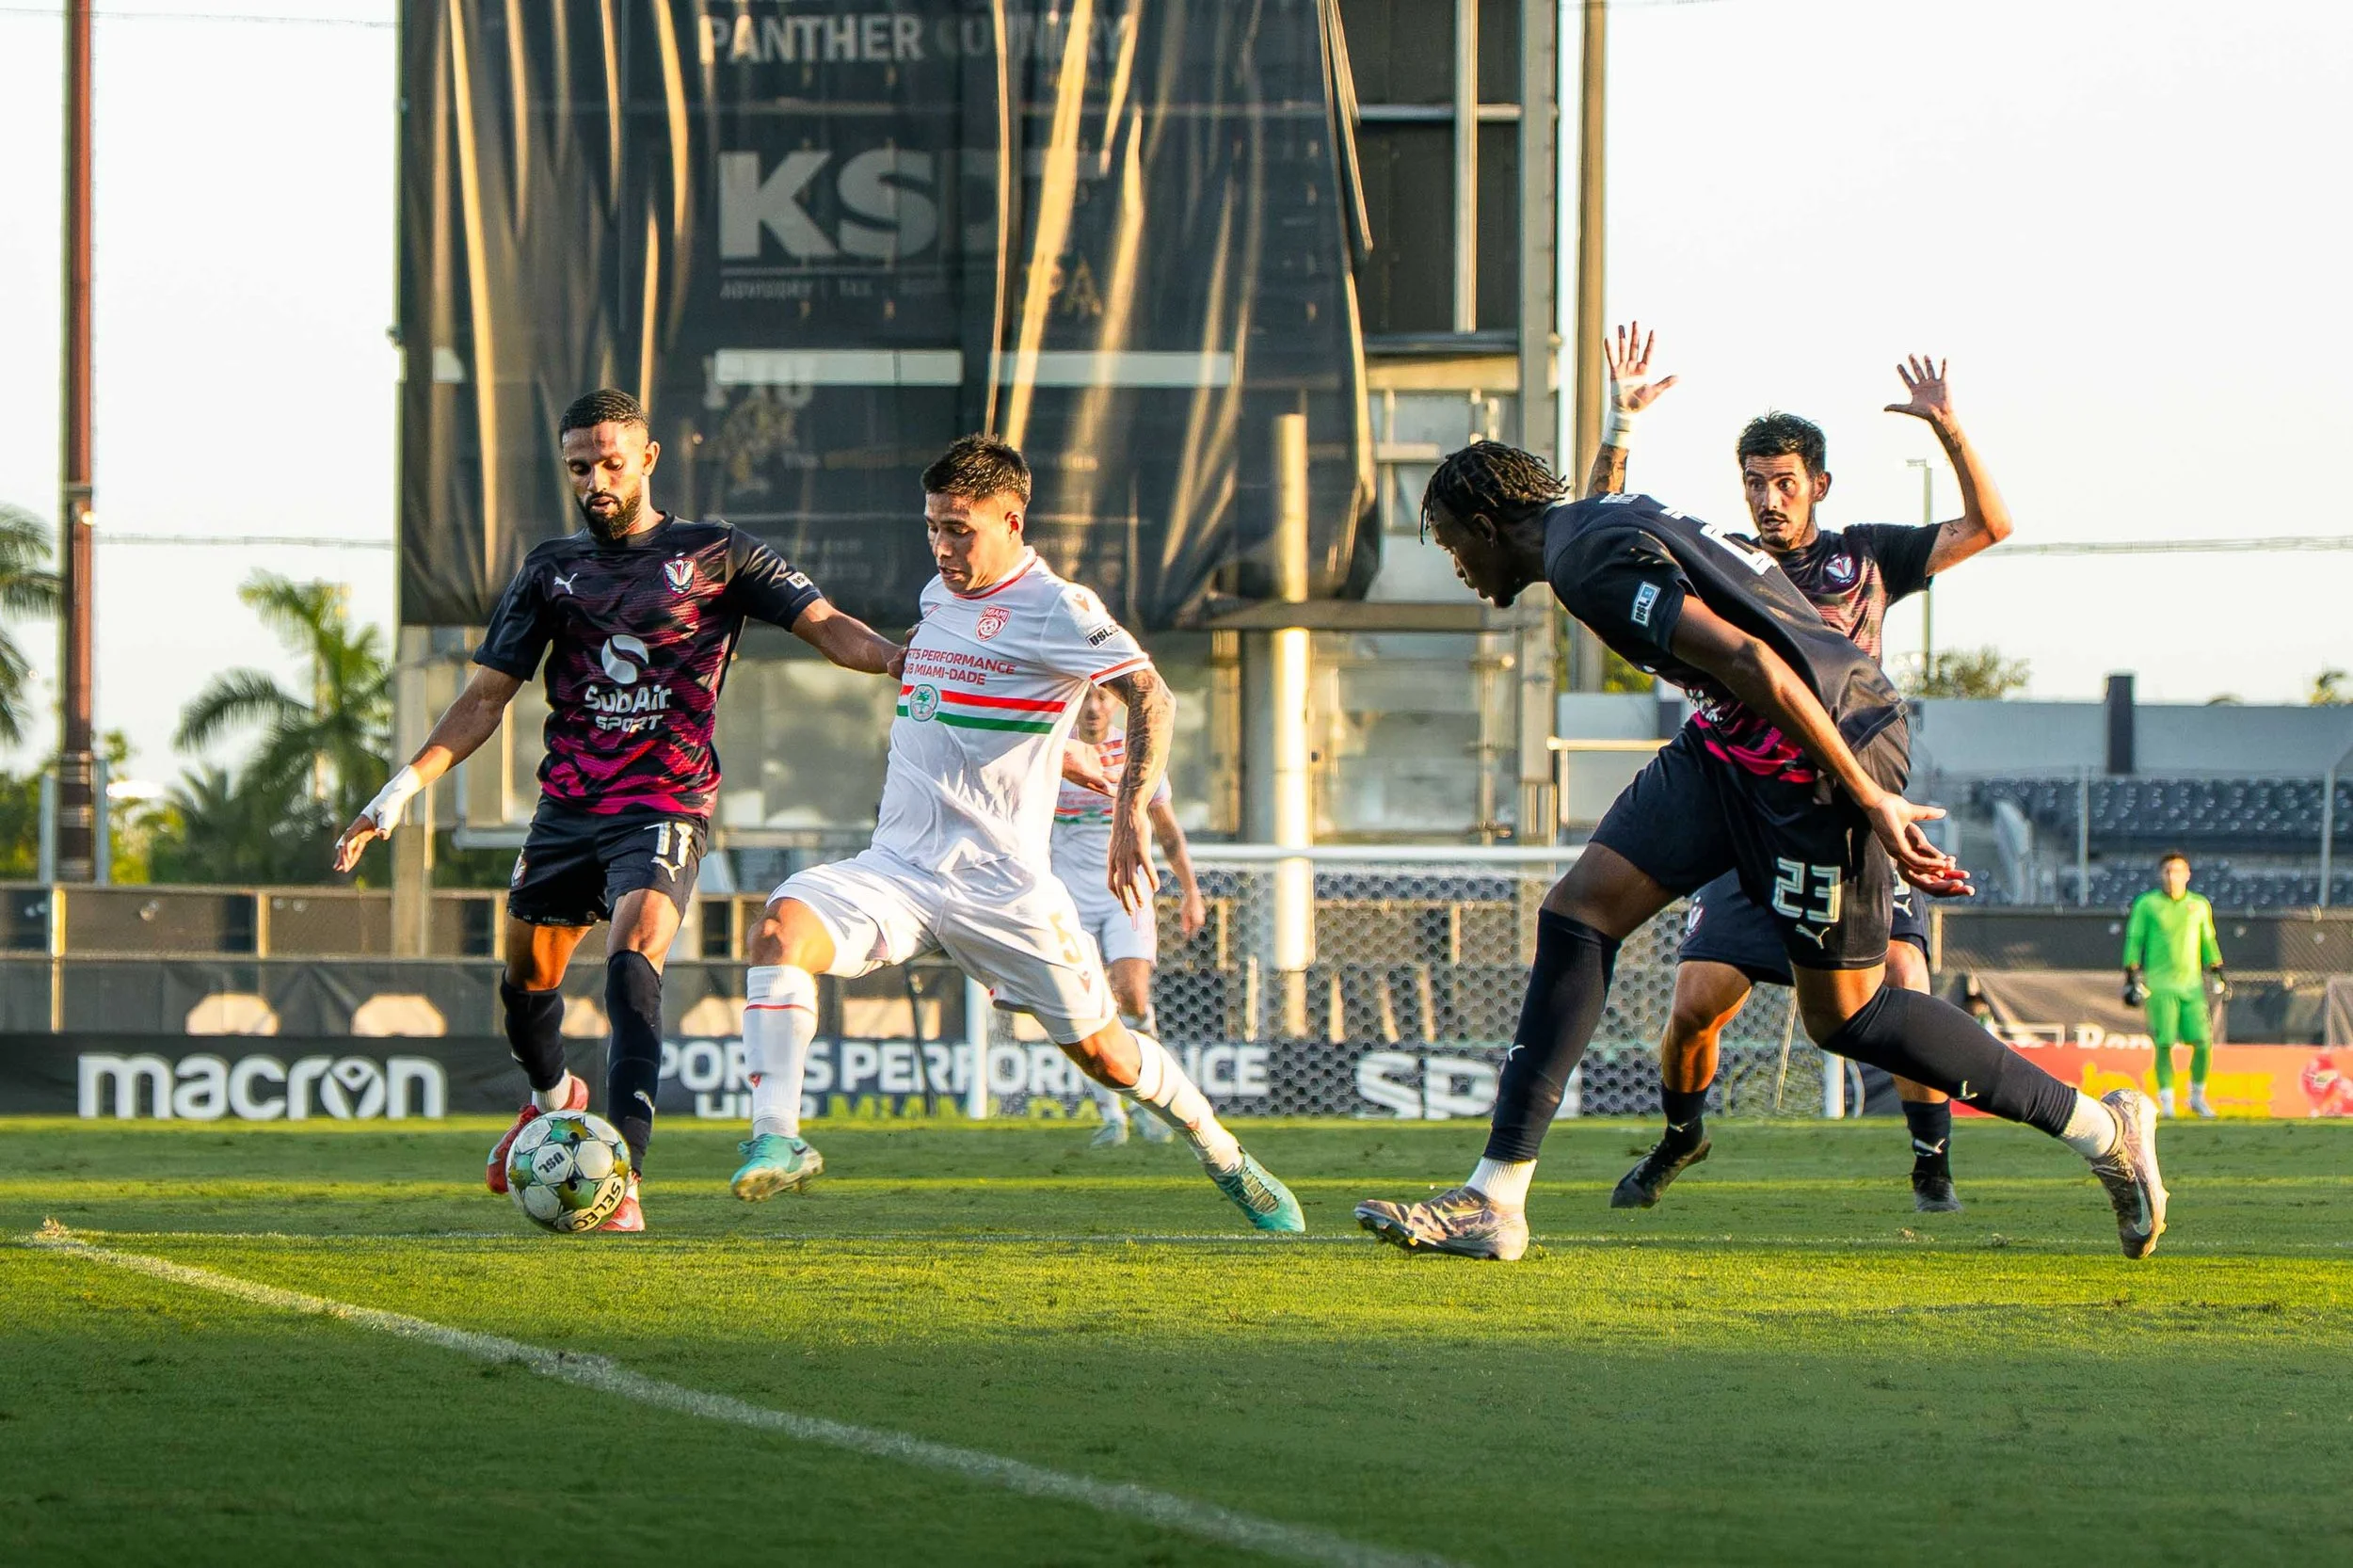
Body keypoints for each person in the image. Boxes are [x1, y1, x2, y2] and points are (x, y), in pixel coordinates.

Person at [1353, 440, 2168, 1261]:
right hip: (1738, 738)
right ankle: (1497, 1197)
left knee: (1849, 1017)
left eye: (1452, 541)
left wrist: (1867, 795)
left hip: (1820, 746)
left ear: (1489, 525)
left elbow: (1750, 659)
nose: (1455, 563)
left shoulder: (1586, 560)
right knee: (1578, 911)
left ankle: (2104, 1129)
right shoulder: (1591, 528)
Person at [330, 388, 900, 1231]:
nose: (594, 480)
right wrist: (396, 795)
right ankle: (551, 1097)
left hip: (665, 799)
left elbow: (826, 625)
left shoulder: (718, 553)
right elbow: (485, 698)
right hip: (568, 806)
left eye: (608, 463)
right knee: (527, 984)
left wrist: (902, 661)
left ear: (648, 459)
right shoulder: (551, 567)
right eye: (577, 468)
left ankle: (622, 1175)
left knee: (635, 957)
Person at [728, 433, 1303, 1232]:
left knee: (1109, 1057)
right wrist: (1054, 751)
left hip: (1005, 891)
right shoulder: (939, 596)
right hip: (899, 870)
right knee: (779, 930)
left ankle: (1223, 1152)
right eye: (933, 526)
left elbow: (1154, 699)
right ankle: (778, 1140)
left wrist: (1131, 812)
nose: (943, 545)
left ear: (1012, 518)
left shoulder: (1059, 608)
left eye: (960, 527)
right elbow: (965, 702)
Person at [1589, 328, 2012, 1213]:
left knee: (1902, 984)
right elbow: (1594, 540)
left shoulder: (1867, 557)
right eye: (1755, 482)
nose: (1769, 498)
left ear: (1818, 485)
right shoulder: (1721, 561)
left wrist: (1948, 427)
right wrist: (1620, 424)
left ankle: (1932, 1162)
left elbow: (1989, 527)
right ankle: (1681, 1136)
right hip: (1749, 806)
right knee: (1696, 1003)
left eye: (1785, 483)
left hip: (1848, 808)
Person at [1051, 684, 1208, 1146]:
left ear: (1117, 703)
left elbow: (1167, 831)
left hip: (1126, 892)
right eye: (1085, 697)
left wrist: (1191, 892)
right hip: (1068, 897)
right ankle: (1110, 1116)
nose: (1094, 707)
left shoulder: (1139, 752)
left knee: (1133, 997)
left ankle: (1152, 1103)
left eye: (1103, 698)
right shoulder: (1050, 749)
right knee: (1083, 1008)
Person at [2122, 852, 2227, 1118]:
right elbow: (2135, 940)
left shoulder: (2199, 905)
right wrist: (2132, 975)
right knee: (2164, 1044)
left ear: (2188, 874)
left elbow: (2208, 940)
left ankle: (2197, 1097)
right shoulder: (2147, 905)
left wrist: (2217, 971)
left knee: (2203, 1041)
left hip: (2192, 987)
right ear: (2161, 875)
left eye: (2178, 871)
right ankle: (2167, 1102)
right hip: (2160, 987)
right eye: (2168, 871)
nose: (2172, 877)